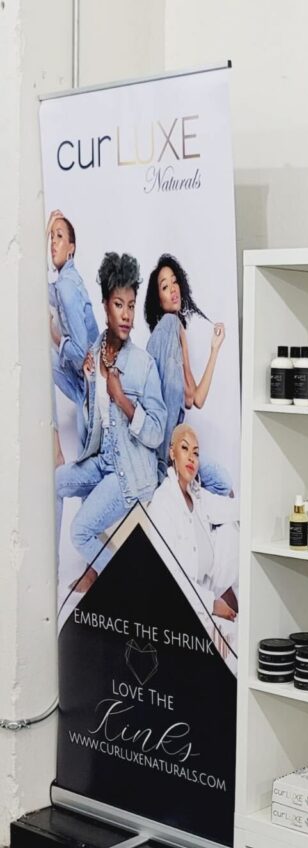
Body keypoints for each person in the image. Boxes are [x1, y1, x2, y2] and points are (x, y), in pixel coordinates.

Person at [55, 253, 167, 594]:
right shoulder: (95, 350)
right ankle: (50, 567)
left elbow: (157, 432)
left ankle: (125, 582)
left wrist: (122, 399)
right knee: (55, 482)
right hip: (103, 461)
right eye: (119, 304)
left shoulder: (143, 365)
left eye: (132, 306)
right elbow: (94, 429)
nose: (127, 315)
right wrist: (91, 383)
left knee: (80, 531)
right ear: (106, 305)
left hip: (131, 474)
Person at [144, 254, 230, 493]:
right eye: (164, 286)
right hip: (166, 452)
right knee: (221, 485)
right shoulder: (168, 326)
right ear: (158, 300)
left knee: (222, 484)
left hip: (176, 450)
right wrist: (167, 461)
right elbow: (171, 395)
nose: (172, 289)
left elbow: (194, 399)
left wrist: (214, 349)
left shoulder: (178, 329)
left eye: (174, 282)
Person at [147, 424, 238, 621]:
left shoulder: (196, 494)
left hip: (207, 587)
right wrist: (211, 604)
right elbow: (168, 576)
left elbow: (232, 509)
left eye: (196, 453)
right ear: (172, 453)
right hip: (179, 605)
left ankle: (245, 603)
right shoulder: (162, 502)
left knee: (236, 527)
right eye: (185, 448)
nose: (191, 458)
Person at [46, 210, 100, 462]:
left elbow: (81, 355)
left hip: (93, 387)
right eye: (50, 238)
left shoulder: (67, 286)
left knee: (84, 471)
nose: (53, 243)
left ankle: (57, 453)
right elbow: (37, 288)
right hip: (86, 387)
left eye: (59, 236)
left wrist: (56, 337)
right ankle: (55, 448)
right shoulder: (63, 283)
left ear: (71, 249)